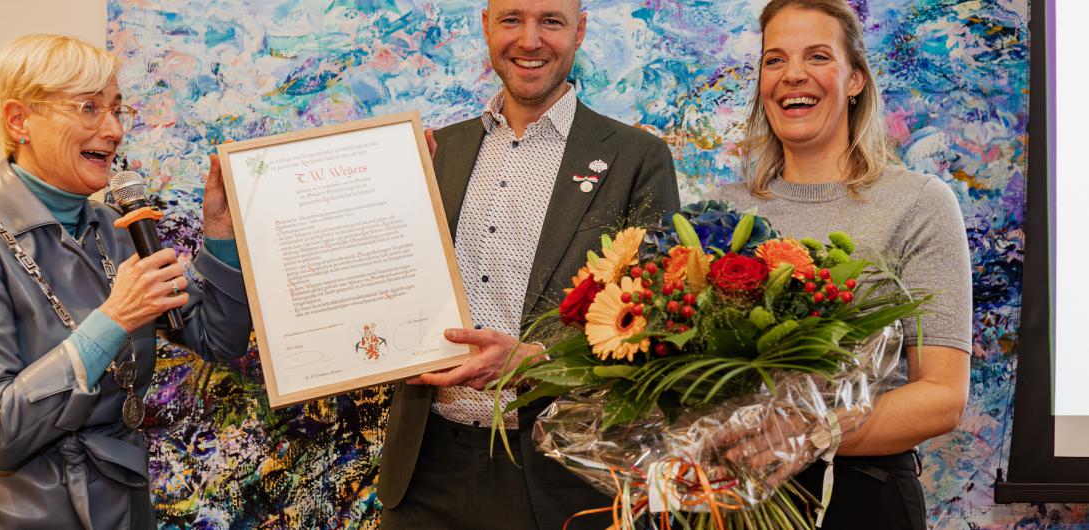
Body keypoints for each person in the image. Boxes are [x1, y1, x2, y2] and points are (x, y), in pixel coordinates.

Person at [0, 34, 252, 530]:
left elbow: (219, 340)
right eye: (89, 108)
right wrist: (116, 318)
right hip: (2, 514)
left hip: (121, 507)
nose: (114, 130)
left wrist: (221, 234)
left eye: (117, 110)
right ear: (19, 120)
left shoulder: (115, 229)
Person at [377, 0, 680, 528]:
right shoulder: (434, 151)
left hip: (558, 477)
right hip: (423, 469)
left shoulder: (637, 159)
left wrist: (537, 359)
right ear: (486, 26)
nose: (530, 40)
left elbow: (660, 323)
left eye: (551, 21)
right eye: (512, 19)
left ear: (580, 30)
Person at [717, 1, 972, 528]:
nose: (793, 75)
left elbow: (942, 396)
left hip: (862, 497)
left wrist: (808, 434)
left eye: (817, 56)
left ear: (855, 79)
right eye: (775, 60)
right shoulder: (723, 213)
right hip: (735, 496)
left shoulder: (918, 202)